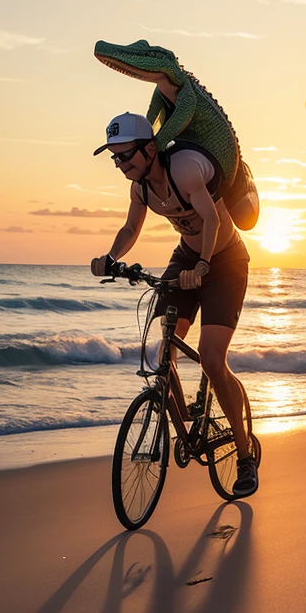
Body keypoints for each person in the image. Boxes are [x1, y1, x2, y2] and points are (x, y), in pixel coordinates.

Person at [91, 111, 258, 498]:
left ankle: (245, 454)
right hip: (186, 260)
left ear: (149, 149)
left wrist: (204, 265)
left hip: (225, 261)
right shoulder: (140, 189)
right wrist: (111, 258)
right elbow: (131, 228)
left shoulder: (184, 169)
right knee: (162, 352)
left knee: (213, 359)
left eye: (126, 156)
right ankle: (186, 422)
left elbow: (214, 220)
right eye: (115, 158)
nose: (120, 165)